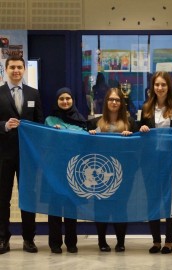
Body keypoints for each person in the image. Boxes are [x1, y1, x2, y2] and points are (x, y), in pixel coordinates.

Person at [139, 71, 172, 254]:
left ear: (169, 87)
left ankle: (169, 241)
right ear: (153, 87)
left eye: (163, 85)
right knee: (152, 200)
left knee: (170, 201)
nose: (160, 88)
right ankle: (156, 241)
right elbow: (140, 134)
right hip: (150, 162)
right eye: (157, 85)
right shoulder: (146, 108)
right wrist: (141, 127)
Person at [0, 55, 43, 254]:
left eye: (19, 67)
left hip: (28, 155)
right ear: (6, 69)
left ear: (24, 69)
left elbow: (40, 124)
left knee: (28, 197)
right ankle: (2, 239)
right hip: (4, 155)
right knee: (3, 198)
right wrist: (4, 126)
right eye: (12, 67)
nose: (16, 70)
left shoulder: (34, 93)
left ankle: (29, 239)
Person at [88, 87, 137, 252]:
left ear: (121, 103)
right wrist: (90, 136)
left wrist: (132, 137)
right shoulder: (95, 123)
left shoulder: (131, 124)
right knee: (100, 206)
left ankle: (120, 242)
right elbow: (85, 145)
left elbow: (140, 146)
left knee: (121, 206)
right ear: (106, 102)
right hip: (100, 174)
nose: (114, 102)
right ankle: (102, 241)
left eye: (117, 100)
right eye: (111, 99)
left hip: (124, 173)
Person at [45, 87, 87, 254]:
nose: (65, 101)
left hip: (73, 170)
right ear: (57, 101)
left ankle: (71, 243)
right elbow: (45, 142)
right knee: (54, 208)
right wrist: (51, 133)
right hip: (54, 169)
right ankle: (55, 243)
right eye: (61, 98)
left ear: (73, 100)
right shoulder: (49, 120)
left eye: (68, 98)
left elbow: (84, 143)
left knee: (71, 208)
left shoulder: (81, 120)